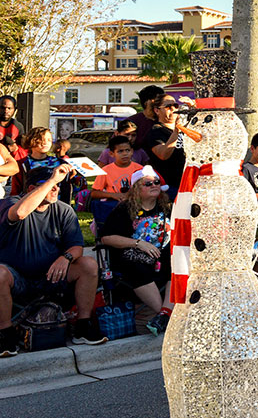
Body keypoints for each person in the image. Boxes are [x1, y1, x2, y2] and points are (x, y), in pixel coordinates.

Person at [0, 164, 104, 355]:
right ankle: (5, 334)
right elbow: (20, 213)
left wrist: (66, 257)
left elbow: (76, 246)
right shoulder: (11, 203)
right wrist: (52, 179)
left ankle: (83, 326)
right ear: (32, 188)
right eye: (49, 184)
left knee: (88, 265)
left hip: (52, 277)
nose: (56, 188)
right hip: (18, 279)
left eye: (58, 184)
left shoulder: (63, 210)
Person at [99, 167, 172, 334]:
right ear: (137, 188)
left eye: (156, 182)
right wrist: (139, 244)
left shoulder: (166, 208)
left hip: (161, 256)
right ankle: (163, 314)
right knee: (136, 266)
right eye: (148, 183)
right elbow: (106, 238)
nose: (154, 185)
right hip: (131, 255)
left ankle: (165, 314)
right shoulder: (124, 209)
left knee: (177, 263)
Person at [90, 134, 141, 227]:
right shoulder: (106, 170)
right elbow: (94, 193)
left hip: (137, 207)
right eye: (120, 151)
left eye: (127, 150)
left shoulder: (140, 169)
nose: (125, 154)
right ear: (111, 154)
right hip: (114, 208)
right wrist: (113, 195)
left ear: (132, 151)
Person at [145, 95, 187, 200]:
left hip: (187, 181)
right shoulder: (155, 132)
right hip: (170, 185)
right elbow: (163, 155)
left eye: (175, 105)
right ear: (157, 110)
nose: (173, 109)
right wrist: (176, 132)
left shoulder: (186, 128)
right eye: (168, 106)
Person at [123, 86, 165, 155]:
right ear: (146, 102)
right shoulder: (131, 122)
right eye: (157, 101)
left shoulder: (167, 120)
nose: (160, 104)